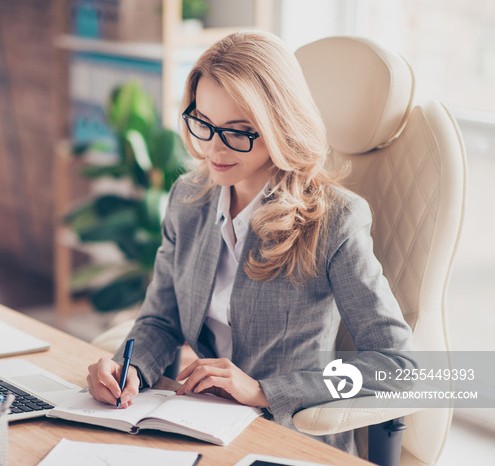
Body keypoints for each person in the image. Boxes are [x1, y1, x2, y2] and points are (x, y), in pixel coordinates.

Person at [86, 30, 414, 453]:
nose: (212, 148)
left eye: (238, 132)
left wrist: (263, 391)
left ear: (279, 125)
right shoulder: (188, 199)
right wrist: (127, 369)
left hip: (286, 437)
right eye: (203, 123)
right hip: (193, 423)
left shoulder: (334, 220)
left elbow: (398, 366)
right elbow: (161, 321)